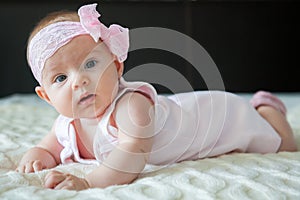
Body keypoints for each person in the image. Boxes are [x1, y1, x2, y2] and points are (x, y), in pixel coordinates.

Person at [16, 3, 297, 190]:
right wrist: (37, 155)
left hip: (220, 115)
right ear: (47, 97)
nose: (80, 81)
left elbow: (132, 154)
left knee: (282, 143)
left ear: (116, 66)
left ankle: (266, 108)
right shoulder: (66, 125)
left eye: (90, 64)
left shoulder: (131, 106)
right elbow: (48, 147)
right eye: (61, 78)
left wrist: (89, 183)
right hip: (193, 111)